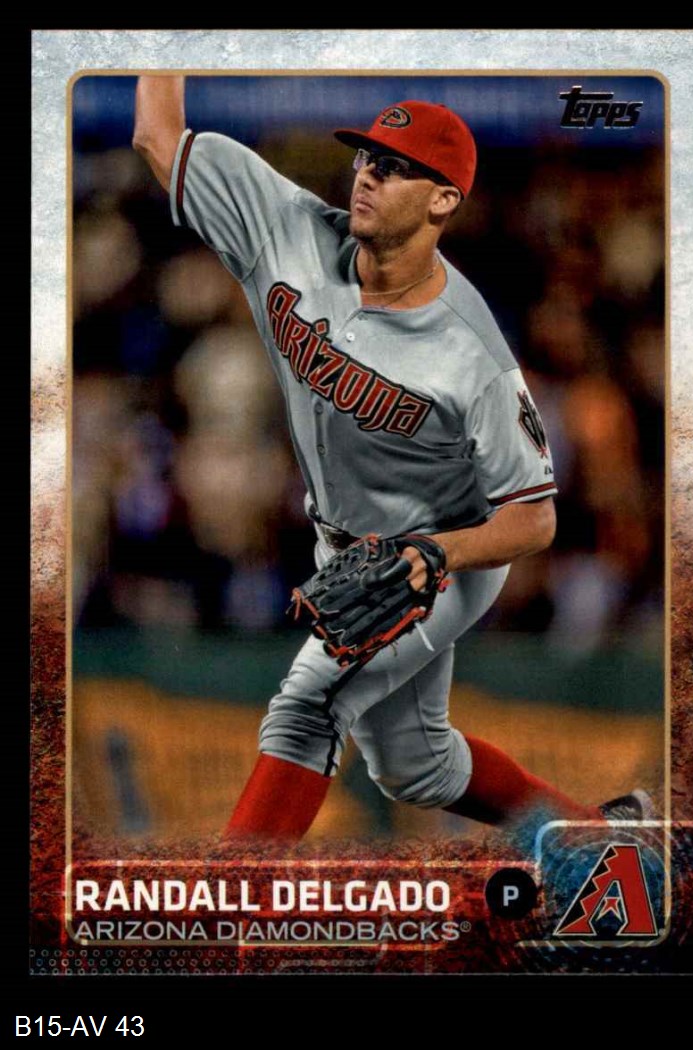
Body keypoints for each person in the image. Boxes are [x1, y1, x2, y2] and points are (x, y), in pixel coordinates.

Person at [133, 78, 651, 843]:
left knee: (308, 706)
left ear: (443, 200)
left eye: (395, 165)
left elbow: (533, 519)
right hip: (346, 545)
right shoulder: (287, 229)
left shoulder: (471, 352)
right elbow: (157, 136)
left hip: (447, 554)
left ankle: (231, 903)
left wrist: (434, 555)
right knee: (416, 767)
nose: (368, 174)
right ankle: (603, 843)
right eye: (366, 156)